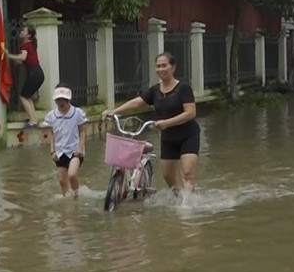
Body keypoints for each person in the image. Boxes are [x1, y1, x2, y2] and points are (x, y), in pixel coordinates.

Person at [103, 52, 199, 205]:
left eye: (164, 65)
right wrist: (114, 111)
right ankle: (182, 198)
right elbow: (137, 102)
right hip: (168, 138)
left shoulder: (183, 88)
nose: (161, 69)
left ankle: (187, 207)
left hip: (188, 136)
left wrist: (167, 123)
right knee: (167, 175)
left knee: (187, 173)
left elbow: (190, 113)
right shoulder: (154, 90)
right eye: (158, 66)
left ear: (173, 67)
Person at [45, 86, 87, 197]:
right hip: (60, 152)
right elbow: (52, 133)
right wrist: (52, 150)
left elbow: (82, 131)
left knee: (72, 175)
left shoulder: (77, 113)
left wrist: (80, 148)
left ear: (68, 100)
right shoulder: (52, 116)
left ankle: (76, 196)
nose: (60, 103)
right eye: (58, 100)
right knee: (62, 181)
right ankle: (67, 203)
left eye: (63, 101)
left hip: (74, 151)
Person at [6, 26, 44, 128]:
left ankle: (32, 121)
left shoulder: (26, 45)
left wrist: (9, 55)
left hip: (34, 74)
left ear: (29, 35)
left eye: (24, 31)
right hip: (38, 73)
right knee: (27, 96)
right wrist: (13, 59)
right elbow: (22, 60)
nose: (22, 32)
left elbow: (23, 57)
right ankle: (34, 119)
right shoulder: (30, 45)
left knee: (23, 96)